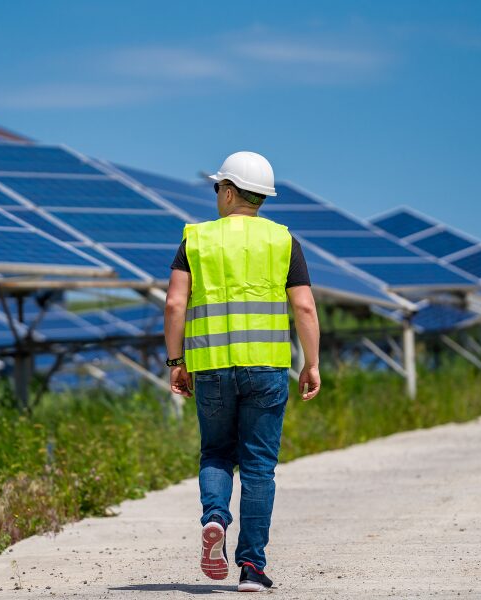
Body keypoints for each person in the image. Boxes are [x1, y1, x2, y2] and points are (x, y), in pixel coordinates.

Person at [164, 151, 321, 592]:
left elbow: (175, 303)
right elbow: (304, 306)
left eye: (218, 187)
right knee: (258, 467)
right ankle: (251, 567)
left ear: (229, 191)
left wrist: (176, 362)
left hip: (211, 367)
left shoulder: (195, 240)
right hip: (267, 369)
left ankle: (214, 518)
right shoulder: (283, 241)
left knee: (216, 453)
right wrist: (311, 363)